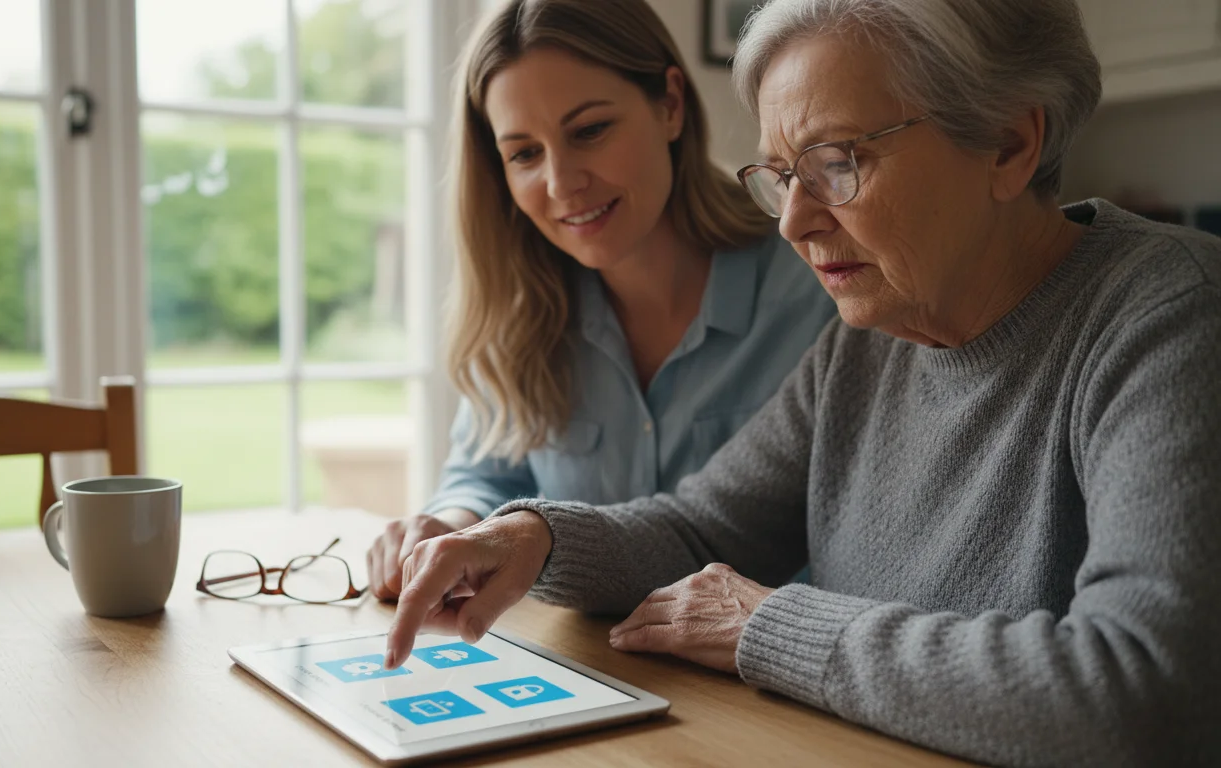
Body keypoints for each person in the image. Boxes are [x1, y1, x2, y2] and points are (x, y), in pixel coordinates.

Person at [381, 0, 1221, 764]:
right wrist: (533, 536)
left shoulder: (1168, 314)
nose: (793, 221)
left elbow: (1139, 694)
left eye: (837, 161)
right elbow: (706, 526)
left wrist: (769, 624)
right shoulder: (874, 334)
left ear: (1009, 140)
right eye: (782, 175)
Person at [364, 0, 836, 599]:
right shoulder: (520, 314)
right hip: (587, 667)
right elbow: (485, 477)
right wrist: (451, 528)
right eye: (524, 154)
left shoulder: (821, 281)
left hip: (760, 676)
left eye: (589, 131)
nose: (561, 183)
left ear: (669, 105)